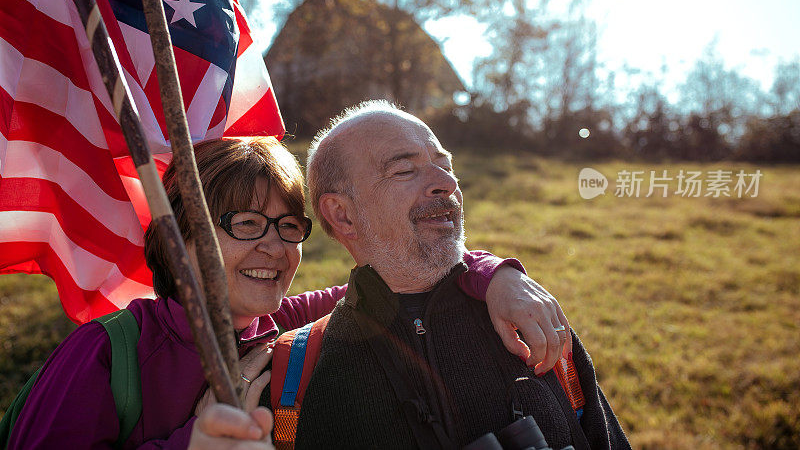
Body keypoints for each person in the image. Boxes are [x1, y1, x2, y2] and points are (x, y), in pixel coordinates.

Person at [8, 136, 571, 449]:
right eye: (246, 223)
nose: (275, 248)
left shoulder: (286, 328)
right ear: (181, 235)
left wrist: (499, 276)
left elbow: (402, 274)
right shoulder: (108, 355)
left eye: (287, 225)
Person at [293, 101, 631, 449]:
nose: (446, 183)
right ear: (342, 214)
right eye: (405, 170)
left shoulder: (530, 320)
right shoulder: (297, 371)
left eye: (445, 165)